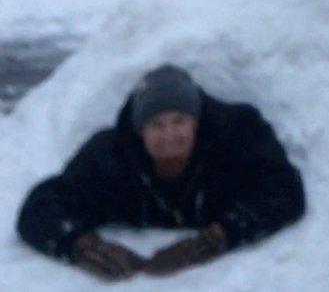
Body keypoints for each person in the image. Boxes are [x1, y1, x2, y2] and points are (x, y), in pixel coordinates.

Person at [16, 65, 305, 280]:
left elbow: (284, 190)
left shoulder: (234, 138)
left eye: (179, 121)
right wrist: (79, 245)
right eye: (156, 124)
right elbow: (42, 206)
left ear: (196, 123)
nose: (169, 135)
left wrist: (219, 236)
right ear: (140, 131)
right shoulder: (112, 157)